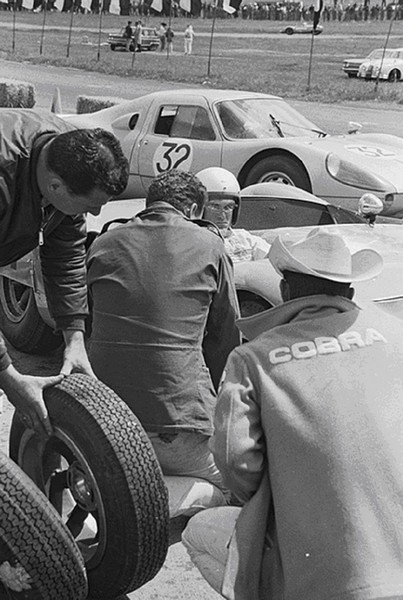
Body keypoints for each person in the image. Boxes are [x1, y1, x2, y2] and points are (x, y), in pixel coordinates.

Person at [183, 228, 403, 600]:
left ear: (284, 292)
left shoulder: (252, 358)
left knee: (199, 532)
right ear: (349, 292)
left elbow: (235, 461)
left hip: (322, 580)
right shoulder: (396, 334)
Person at [86, 169, 240, 501]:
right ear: (195, 211)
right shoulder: (210, 244)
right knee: (241, 488)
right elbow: (226, 336)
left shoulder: (103, 241)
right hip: (176, 429)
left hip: (104, 425)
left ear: (149, 203)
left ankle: (119, 494)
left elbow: (88, 325)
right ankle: (146, 501)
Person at [0, 110, 128, 437]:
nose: (97, 214)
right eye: (89, 206)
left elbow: (66, 249)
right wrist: (9, 377)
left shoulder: (68, 154)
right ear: (54, 186)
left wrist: (74, 335)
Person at [197, 167, 271, 263]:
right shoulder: (192, 244)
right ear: (199, 209)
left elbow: (275, 260)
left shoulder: (247, 240)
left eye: (228, 207)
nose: (222, 216)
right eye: (215, 207)